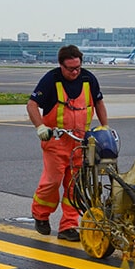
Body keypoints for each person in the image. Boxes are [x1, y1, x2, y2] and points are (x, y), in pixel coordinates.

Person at [26, 45, 108, 241]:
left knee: (75, 187)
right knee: (52, 182)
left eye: (77, 68)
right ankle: (40, 215)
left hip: (80, 144)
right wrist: (40, 127)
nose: (75, 72)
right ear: (61, 65)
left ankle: (68, 226)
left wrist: (105, 127)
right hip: (56, 142)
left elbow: (99, 103)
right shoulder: (51, 80)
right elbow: (32, 105)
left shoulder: (88, 79)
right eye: (70, 69)